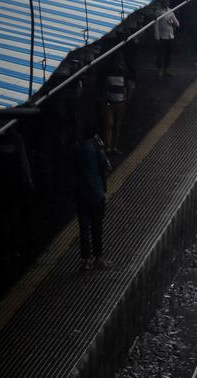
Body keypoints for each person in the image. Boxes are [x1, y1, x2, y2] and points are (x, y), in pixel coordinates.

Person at [74, 126, 113, 271]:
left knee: (84, 228)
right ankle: (99, 258)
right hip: (96, 195)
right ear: (93, 137)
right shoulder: (96, 150)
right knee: (97, 228)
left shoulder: (76, 151)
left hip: (80, 195)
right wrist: (102, 148)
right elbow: (108, 167)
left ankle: (85, 260)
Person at [102, 56, 132, 155]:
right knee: (112, 125)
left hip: (113, 102)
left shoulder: (108, 75)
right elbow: (128, 87)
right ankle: (111, 147)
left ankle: (110, 147)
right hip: (116, 102)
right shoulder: (123, 75)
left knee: (112, 126)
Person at [154, 3, 181, 77]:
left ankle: (166, 70)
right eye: (165, 1)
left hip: (170, 36)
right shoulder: (158, 12)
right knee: (160, 54)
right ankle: (159, 70)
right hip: (162, 37)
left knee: (168, 54)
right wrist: (157, 37)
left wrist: (172, 22)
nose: (166, 2)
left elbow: (177, 24)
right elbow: (156, 25)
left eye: (167, 1)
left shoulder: (170, 11)